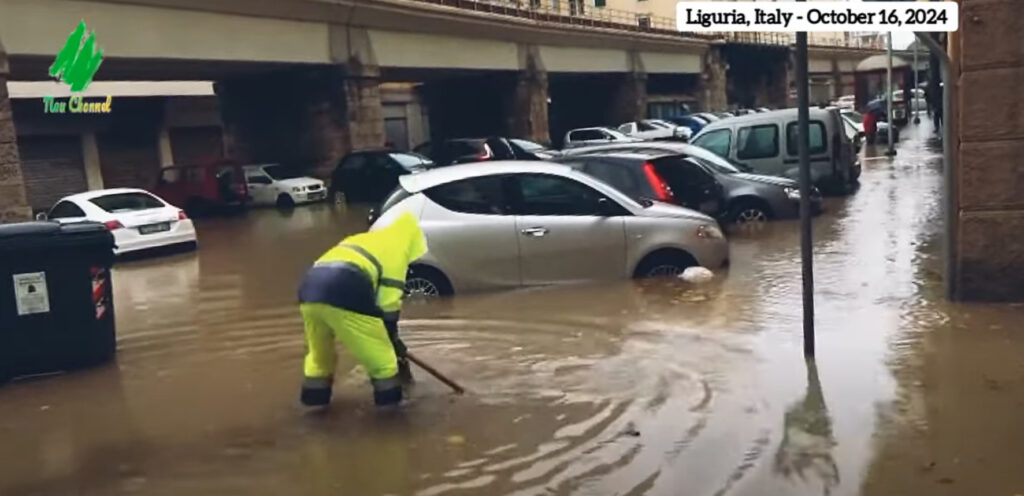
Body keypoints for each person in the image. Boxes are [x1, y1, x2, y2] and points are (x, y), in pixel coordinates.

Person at [296, 211, 428, 407]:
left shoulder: (365, 239)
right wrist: (392, 342)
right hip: (345, 286)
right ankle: (392, 417)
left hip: (309, 289)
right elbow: (388, 306)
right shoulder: (396, 250)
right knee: (383, 363)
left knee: (319, 358)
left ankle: (313, 411)